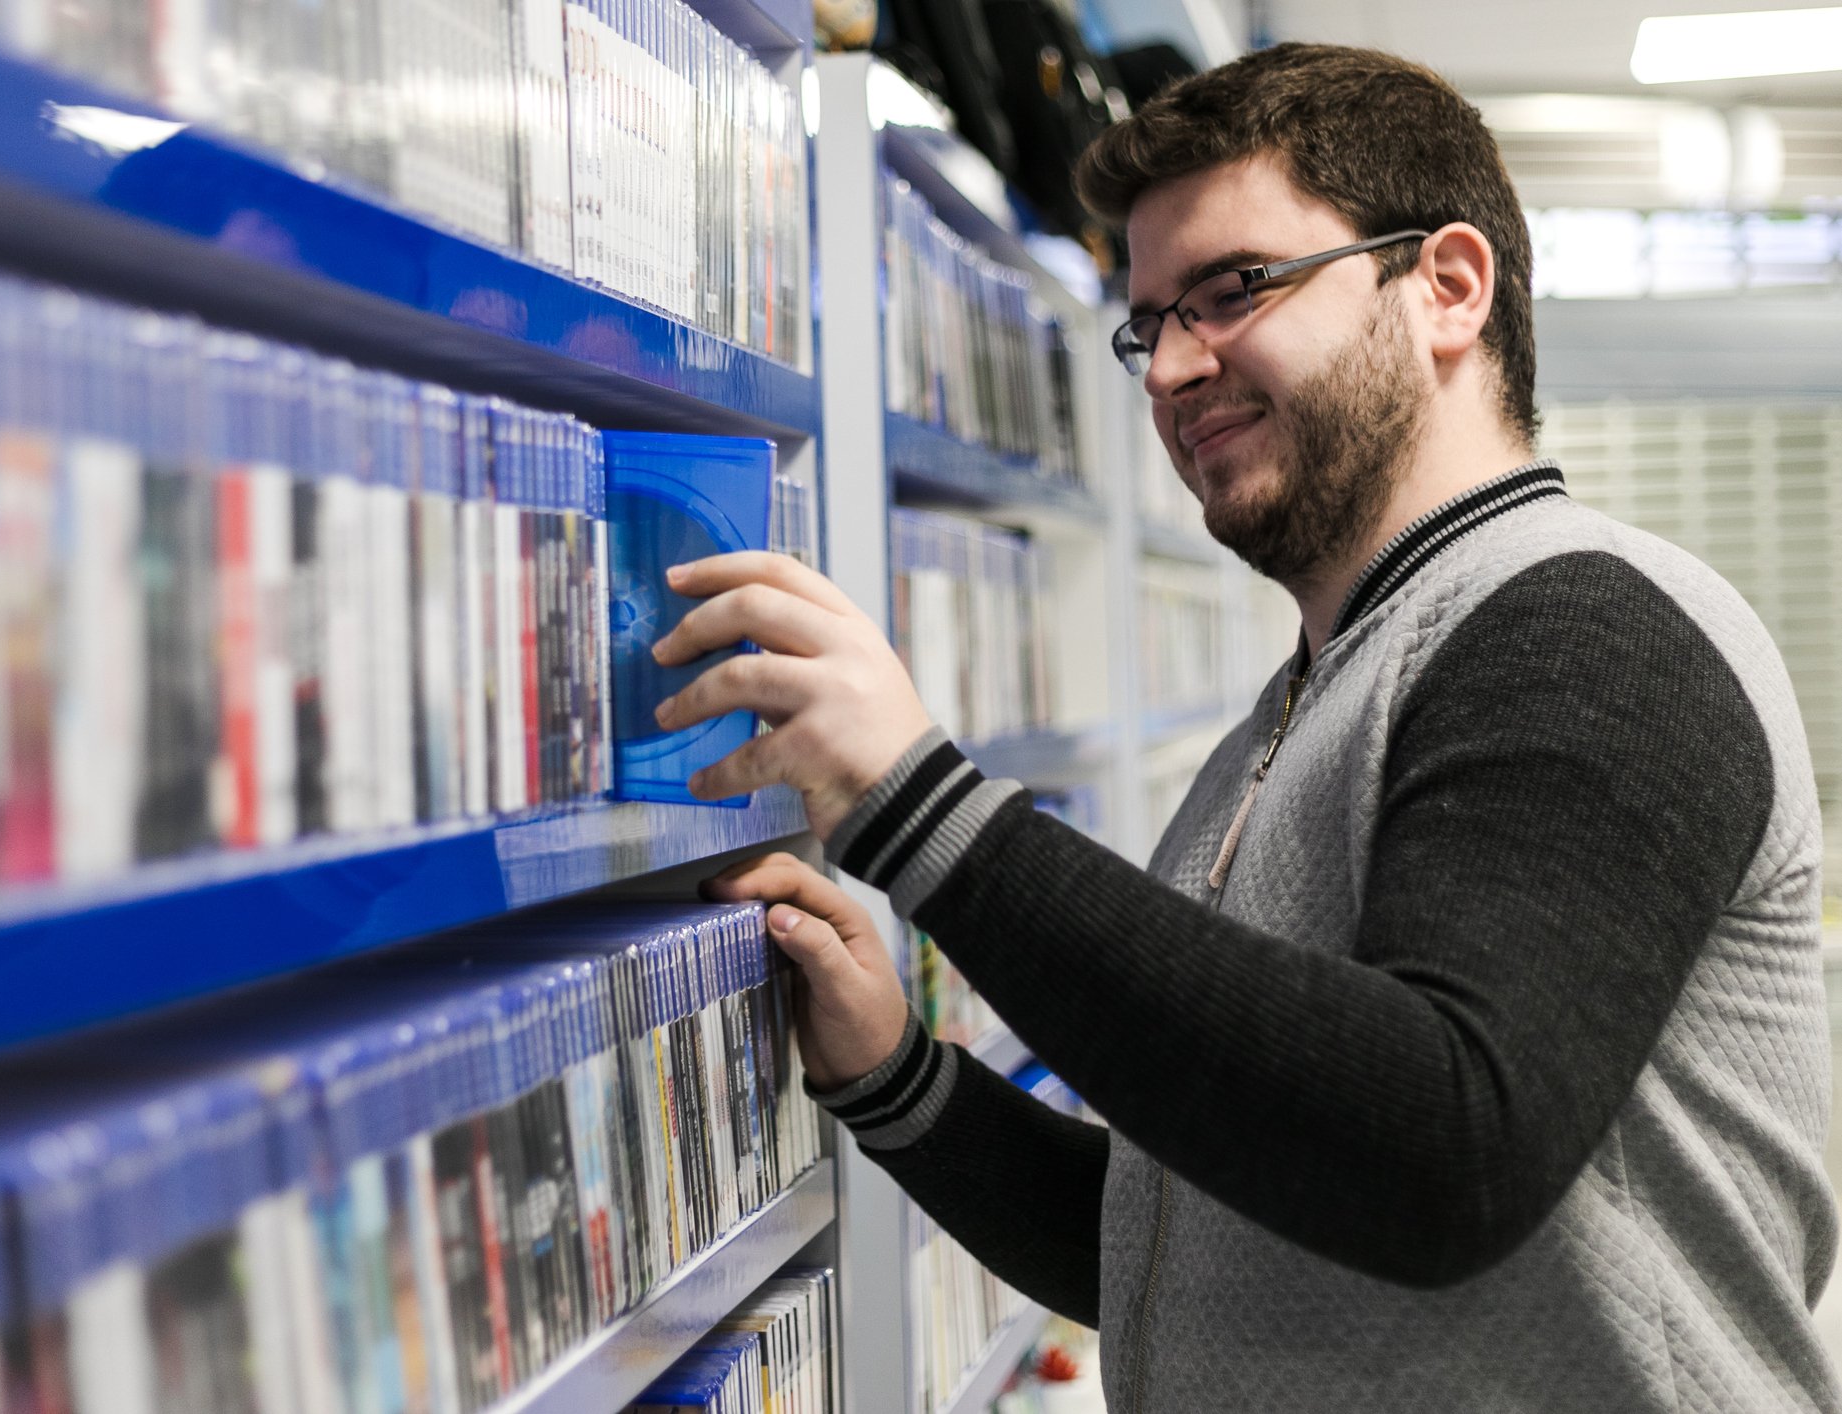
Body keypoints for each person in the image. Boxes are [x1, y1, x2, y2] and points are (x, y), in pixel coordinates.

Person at [657, 41, 1842, 1414]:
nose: (1166, 366)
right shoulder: (1297, 709)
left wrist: (920, 812)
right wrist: (893, 1073)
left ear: (1447, 287)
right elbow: (1199, 1239)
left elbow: (1442, 1153)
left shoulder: (1586, 634)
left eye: (1231, 290)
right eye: (1145, 320)